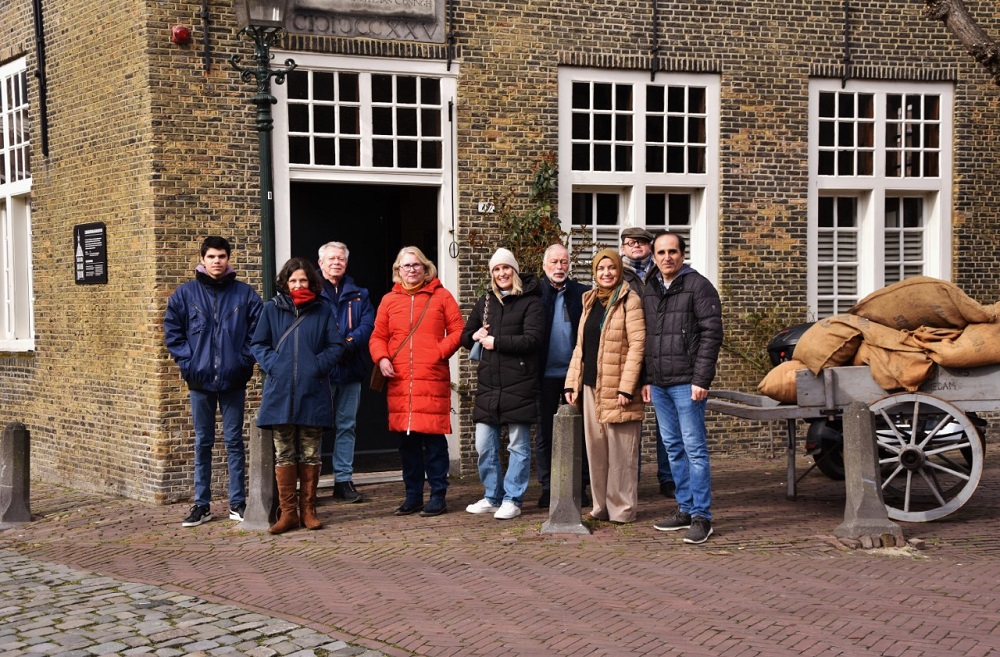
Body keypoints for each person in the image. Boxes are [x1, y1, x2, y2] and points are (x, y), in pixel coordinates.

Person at [164, 236, 263, 527]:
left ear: (228, 259)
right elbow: (173, 332)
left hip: (234, 379)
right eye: (211, 257)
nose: (217, 261)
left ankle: (237, 502)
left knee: (234, 441)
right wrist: (189, 362)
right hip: (200, 380)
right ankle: (201, 504)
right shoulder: (185, 295)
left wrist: (244, 361)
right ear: (202, 259)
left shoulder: (245, 295)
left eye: (221, 256)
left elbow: (257, 334)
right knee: (203, 442)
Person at [251, 258, 344, 534]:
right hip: (279, 393)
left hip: (312, 391)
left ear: (311, 282)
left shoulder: (323, 310)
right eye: (293, 281)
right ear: (285, 282)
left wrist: (315, 366)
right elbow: (258, 344)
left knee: (311, 453)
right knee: (284, 453)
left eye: (302, 280)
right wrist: (275, 365)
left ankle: (309, 510)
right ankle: (288, 512)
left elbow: (335, 346)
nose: (297, 285)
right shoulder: (271, 309)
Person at [369, 246, 464, 517]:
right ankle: (412, 495)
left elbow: (458, 330)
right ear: (398, 271)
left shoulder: (442, 296)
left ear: (426, 268)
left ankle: (438, 495)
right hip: (400, 381)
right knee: (407, 443)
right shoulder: (389, 300)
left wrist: (439, 351)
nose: (411, 270)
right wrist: (382, 358)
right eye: (405, 266)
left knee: (434, 441)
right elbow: (377, 336)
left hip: (431, 378)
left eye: (416, 265)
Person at [641, 231, 722, 544]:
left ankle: (703, 516)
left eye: (672, 251)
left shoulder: (698, 286)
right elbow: (646, 337)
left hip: (687, 383)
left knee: (695, 449)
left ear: (682, 254)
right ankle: (685, 508)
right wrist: (647, 378)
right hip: (660, 385)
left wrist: (702, 379)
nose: (666, 257)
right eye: (660, 252)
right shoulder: (650, 288)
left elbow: (711, 335)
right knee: (673, 448)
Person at [462, 248, 545, 521]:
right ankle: (492, 495)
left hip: (520, 383)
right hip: (489, 385)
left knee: (518, 446)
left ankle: (513, 499)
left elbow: (533, 340)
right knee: (484, 446)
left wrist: (496, 342)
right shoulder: (485, 301)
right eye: (496, 269)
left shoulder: (531, 302)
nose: (502, 273)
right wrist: (474, 334)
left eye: (506, 268)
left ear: (515, 271)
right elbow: (465, 337)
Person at [563, 249, 645, 524]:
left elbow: (637, 347)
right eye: (601, 269)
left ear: (619, 270)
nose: (606, 273)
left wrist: (626, 387)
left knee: (622, 454)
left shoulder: (630, 300)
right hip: (589, 387)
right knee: (596, 451)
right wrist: (571, 382)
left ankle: (621, 509)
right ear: (594, 273)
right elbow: (581, 347)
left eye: (611, 268)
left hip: (618, 388)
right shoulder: (589, 301)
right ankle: (600, 507)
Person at [318, 241, 375, 504]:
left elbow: (366, 325)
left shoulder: (360, 294)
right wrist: (331, 351)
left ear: (346, 263)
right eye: (331, 259)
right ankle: (311, 482)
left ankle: (343, 480)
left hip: (351, 369)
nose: (336, 262)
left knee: (347, 426)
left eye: (340, 258)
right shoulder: (312, 292)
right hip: (322, 372)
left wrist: (346, 345)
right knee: (314, 428)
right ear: (320, 263)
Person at [620, 226, 675, 499]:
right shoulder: (618, 276)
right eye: (631, 243)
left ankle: (668, 478)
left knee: (665, 423)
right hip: (629, 354)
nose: (636, 247)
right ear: (623, 248)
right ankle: (633, 478)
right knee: (631, 423)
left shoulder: (662, 274)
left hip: (658, 351)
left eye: (641, 242)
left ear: (649, 246)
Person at [536, 243, 590, 508]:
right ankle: (548, 488)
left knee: (580, 431)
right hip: (543, 375)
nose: (560, 267)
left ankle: (581, 485)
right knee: (545, 433)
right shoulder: (534, 293)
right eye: (554, 262)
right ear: (544, 265)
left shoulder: (581, 293)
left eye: (564, 262)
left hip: (574, 376)